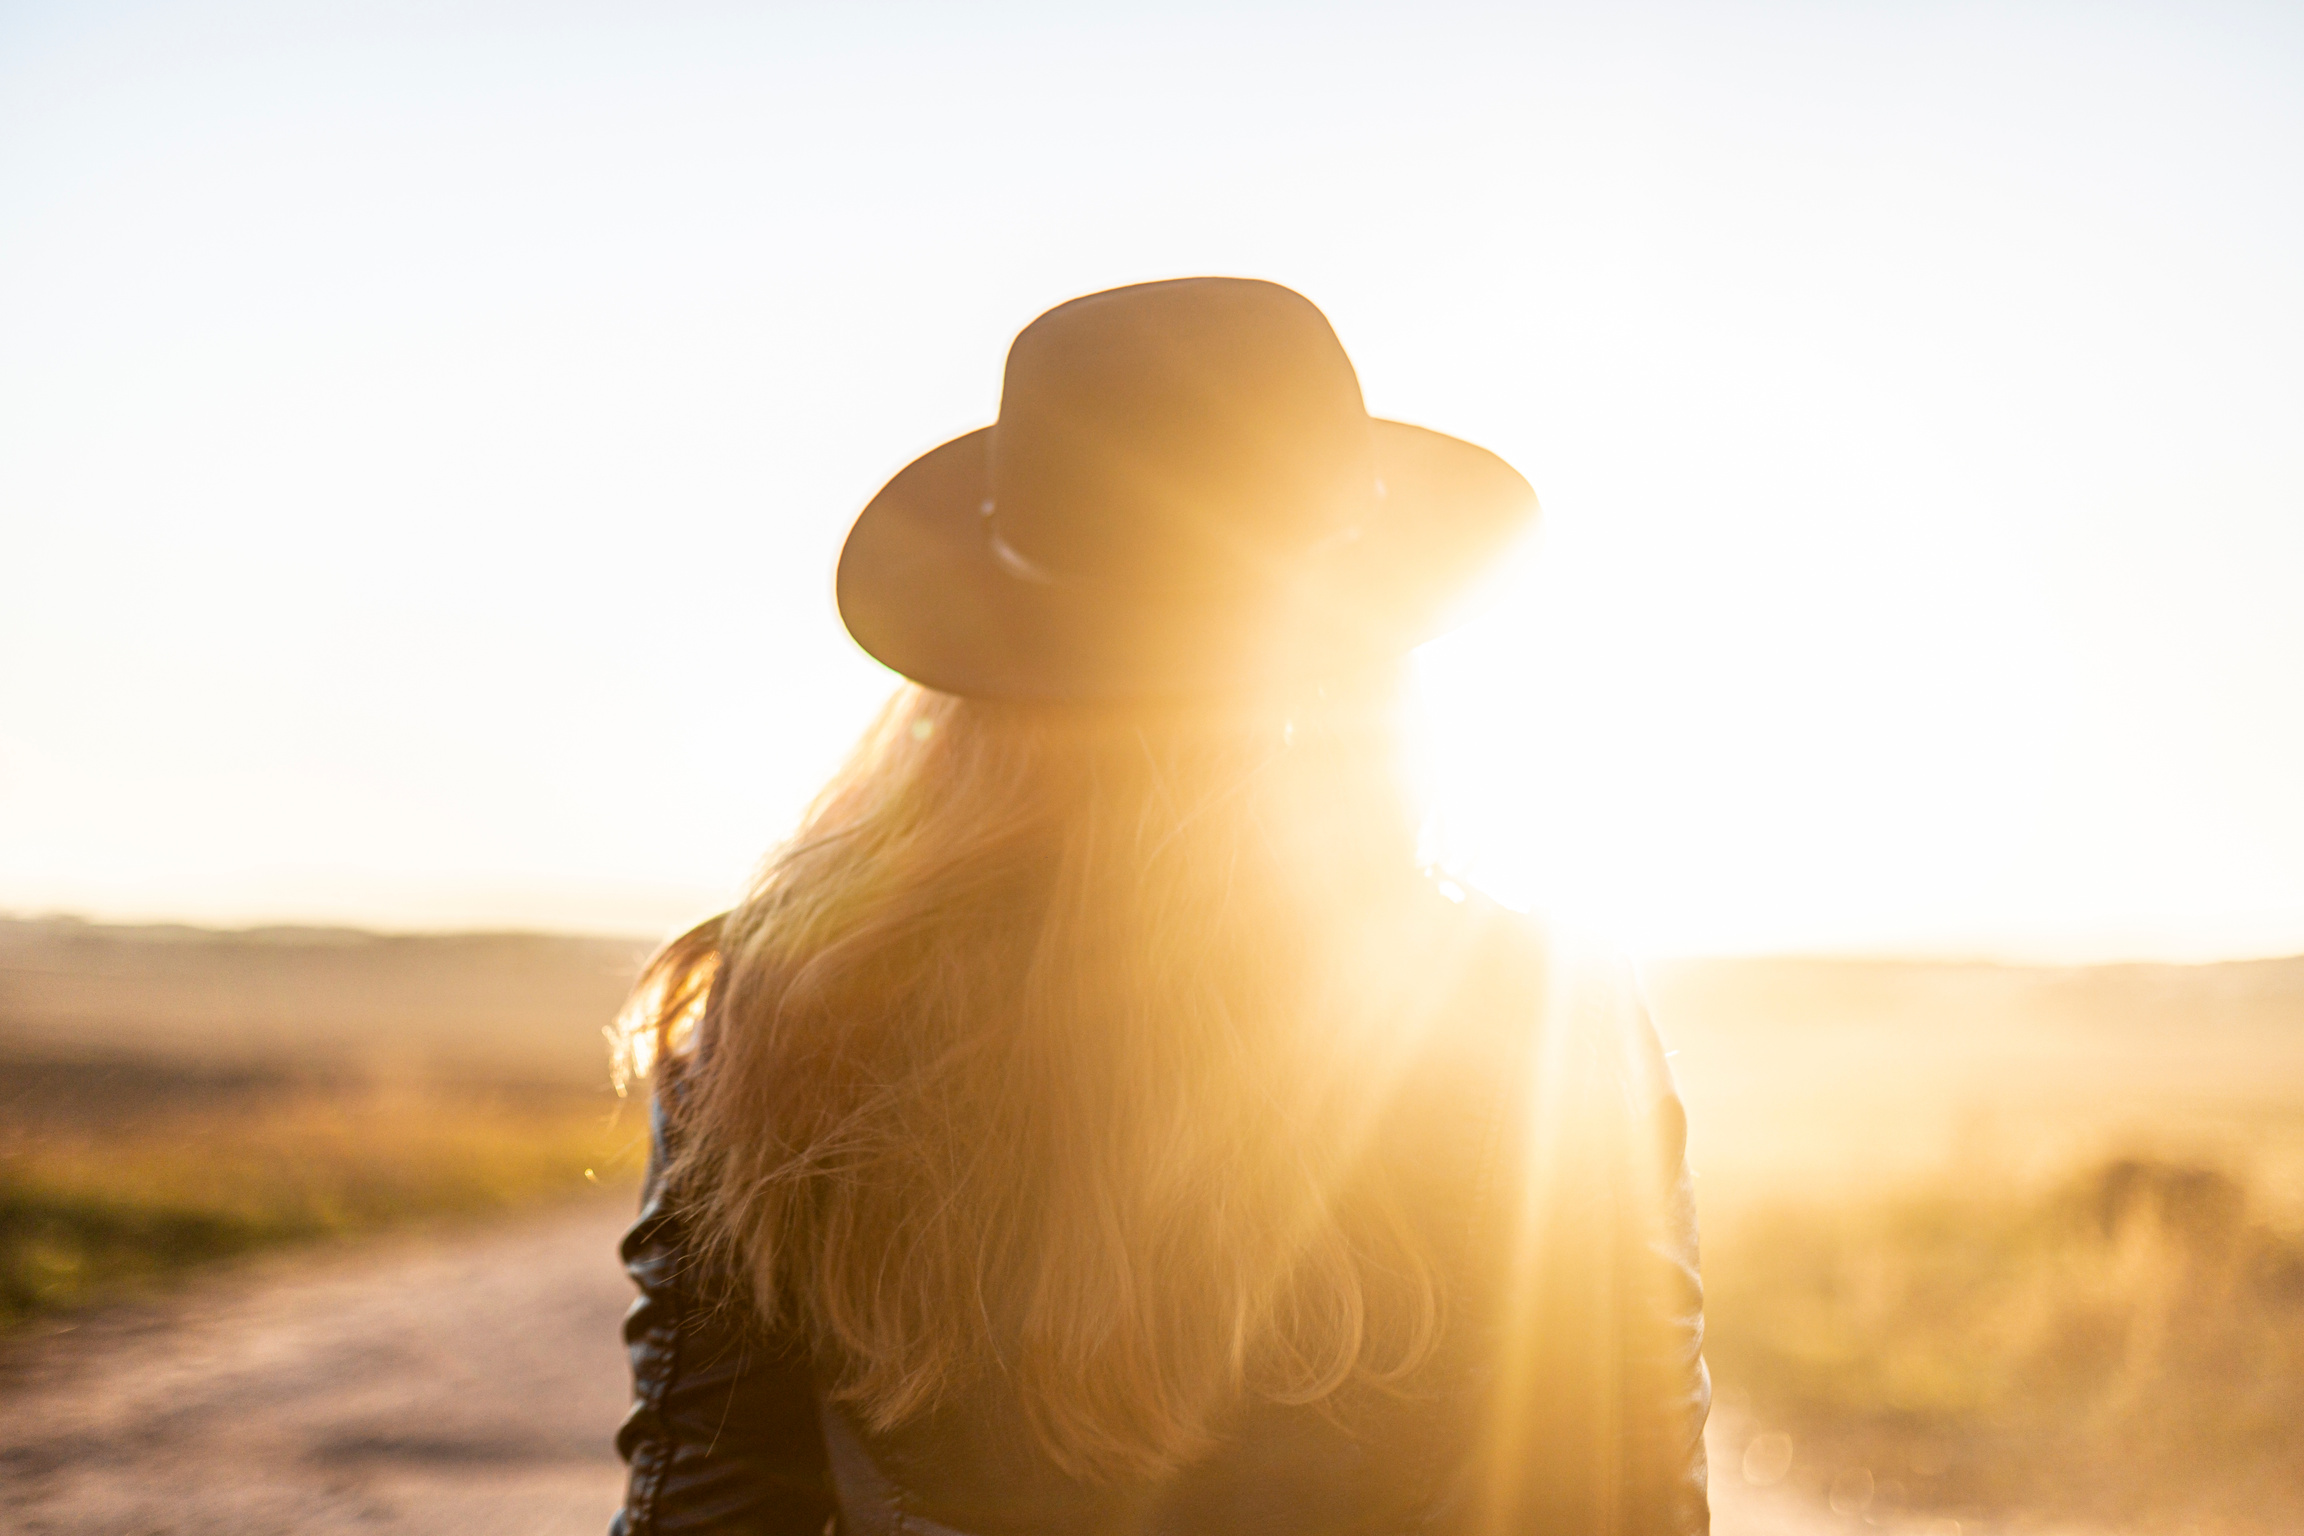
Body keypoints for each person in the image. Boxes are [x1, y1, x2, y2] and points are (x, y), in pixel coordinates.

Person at [608, 278, 1710, 1535]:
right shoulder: (1527, 1012)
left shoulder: (793, 1006)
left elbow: (709, 1501)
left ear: (983, 662)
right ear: (1373, 652)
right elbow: (1614, 1496)